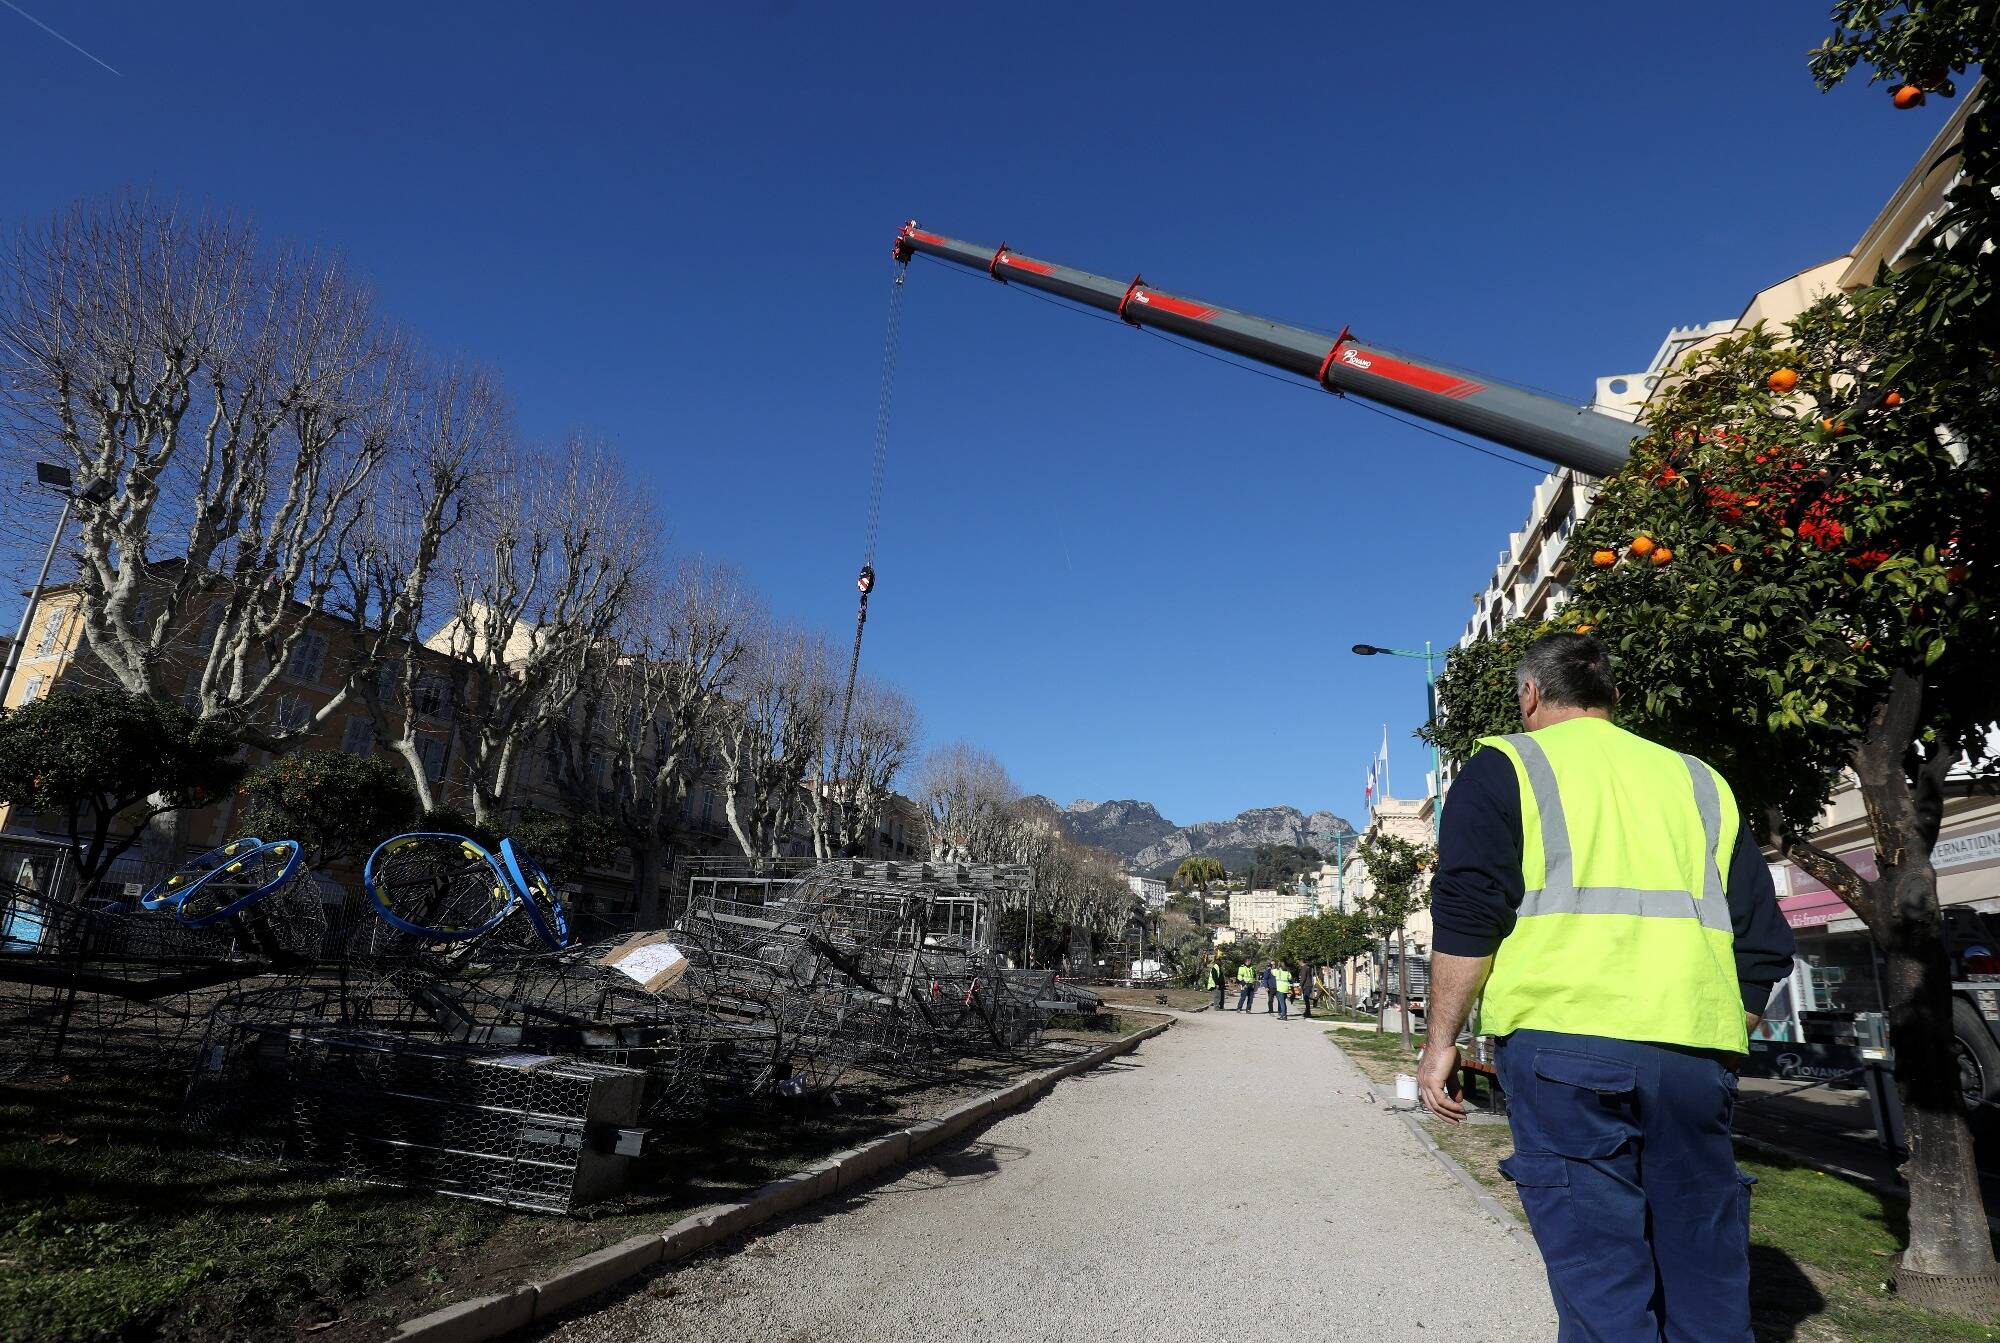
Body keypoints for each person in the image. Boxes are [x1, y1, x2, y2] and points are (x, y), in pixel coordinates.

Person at [1416, 633, 1794, 1343]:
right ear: (1614, 698)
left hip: (1565, 1050)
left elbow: (1469, 913)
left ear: (1530, 693)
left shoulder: (1506, 765)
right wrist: (1726, 1031)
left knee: (1602, 1281)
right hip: (1692, 1055)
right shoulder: (1699, 779)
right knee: (1707, 1279)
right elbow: (1763, 937)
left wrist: (1441, 1043)